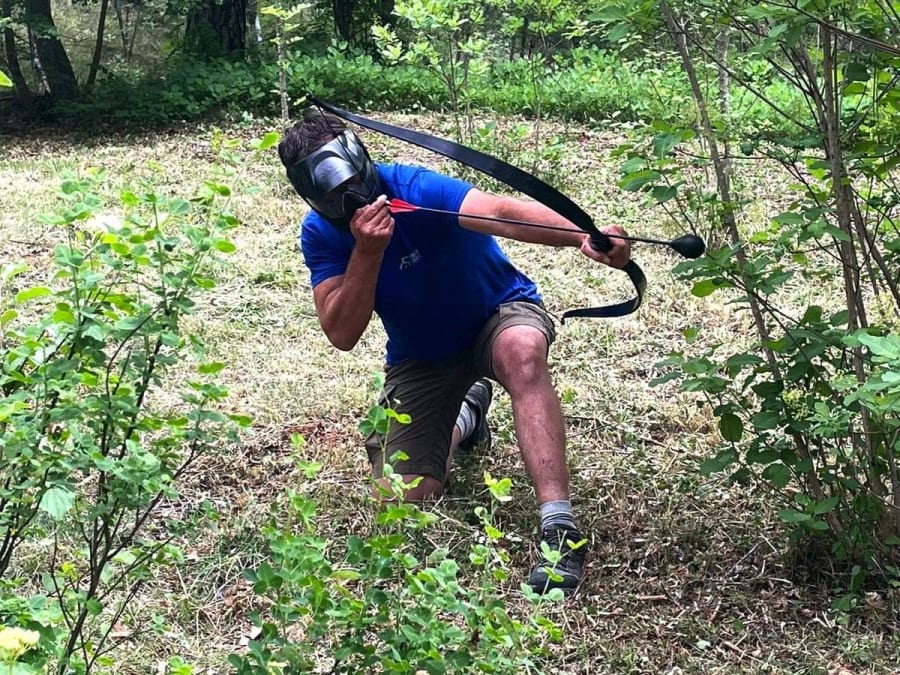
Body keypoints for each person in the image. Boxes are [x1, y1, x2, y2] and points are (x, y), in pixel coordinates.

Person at [277, 108, 631, 595]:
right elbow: (341, 332)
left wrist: (584, 236)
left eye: (353, 182)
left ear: (363, 161)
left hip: (497, 314)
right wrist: (367, 252)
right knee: (404, 501)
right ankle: (467, 415)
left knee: (523, 350)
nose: (351, 198)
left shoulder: (413, 187)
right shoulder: (320, 233)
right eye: (334, 194)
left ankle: (558, 526)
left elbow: (500, 213)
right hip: (422, 356)